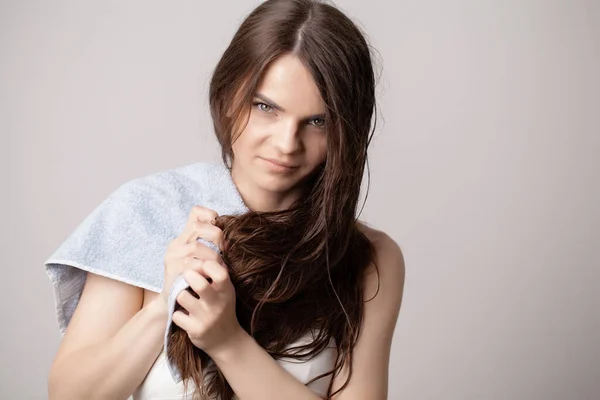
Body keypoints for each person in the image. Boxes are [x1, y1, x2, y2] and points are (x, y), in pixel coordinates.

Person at [47, 0, 405, 399]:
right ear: (228, 92)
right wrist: (165, 303)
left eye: (317, 121)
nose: (287, 144)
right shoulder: (147, 211)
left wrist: (227, 342)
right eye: (266, 107)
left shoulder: (369, 258)